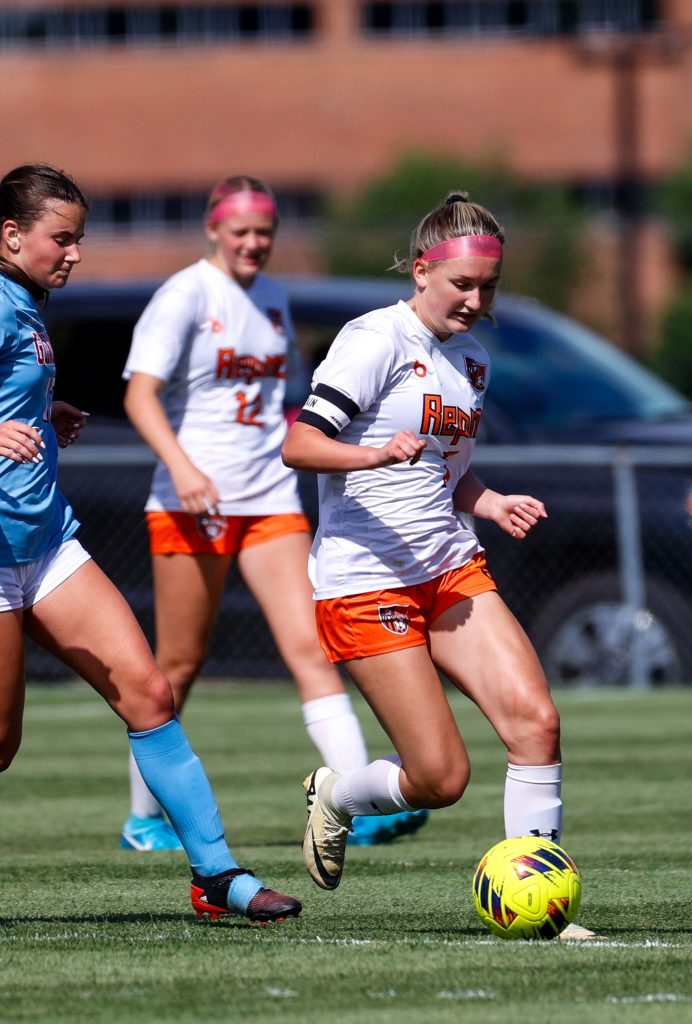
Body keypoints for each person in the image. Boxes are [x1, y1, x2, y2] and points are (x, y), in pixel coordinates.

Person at [281, 190, 594, 940]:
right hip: (366, 581)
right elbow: (299, 444)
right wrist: (371, 454)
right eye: (462, 284)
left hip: (450, 567)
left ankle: (543, 910)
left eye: (488, 287)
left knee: (536, 723)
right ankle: (338, 796)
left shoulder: (472, 358)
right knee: (440, 779)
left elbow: (444, 473)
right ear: (422, 270)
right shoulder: (373, 340)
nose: (476, 301)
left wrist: (489, 501)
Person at [0, 162, 300, 924]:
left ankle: (216, 875)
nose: (75, 253)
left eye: (79, 238)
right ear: (10, 236)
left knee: (150, 692)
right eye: (61, 239)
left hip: (46, 542)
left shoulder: (25, 303)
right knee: (0, 742)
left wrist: (41, 413)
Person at [120, 174, 427, 852]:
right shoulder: (184, 294)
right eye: (241, 231)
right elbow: (139, 395)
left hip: (268, 498)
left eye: (264, 232)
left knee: (311, 649)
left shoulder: (274, 298)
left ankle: (355, 802)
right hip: (192, 501)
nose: (253, 243)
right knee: (177, 664)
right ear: (213, 230)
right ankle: (142, 820)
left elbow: (284, 401)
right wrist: (183, 468)